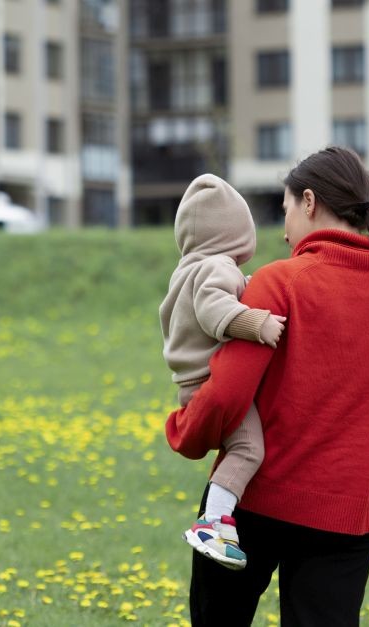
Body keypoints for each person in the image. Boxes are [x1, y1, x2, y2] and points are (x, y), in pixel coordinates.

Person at [165, 147, 369, 626]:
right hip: (350, 509)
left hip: (257, 501)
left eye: (285, 211)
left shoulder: (279, 281)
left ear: (309, 202)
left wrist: (185, 431)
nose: (284, 232)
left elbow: (226, 394)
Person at [159, 173, 288, 570]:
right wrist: (256, 323)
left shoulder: (190, 267)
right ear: (235, 233)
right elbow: (214, 308)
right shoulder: (217, 267)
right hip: (208, 383)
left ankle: (219, 520)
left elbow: (213, 296)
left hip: (190, 383)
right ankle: (213, 523)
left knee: (241, 447)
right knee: (249, 448)